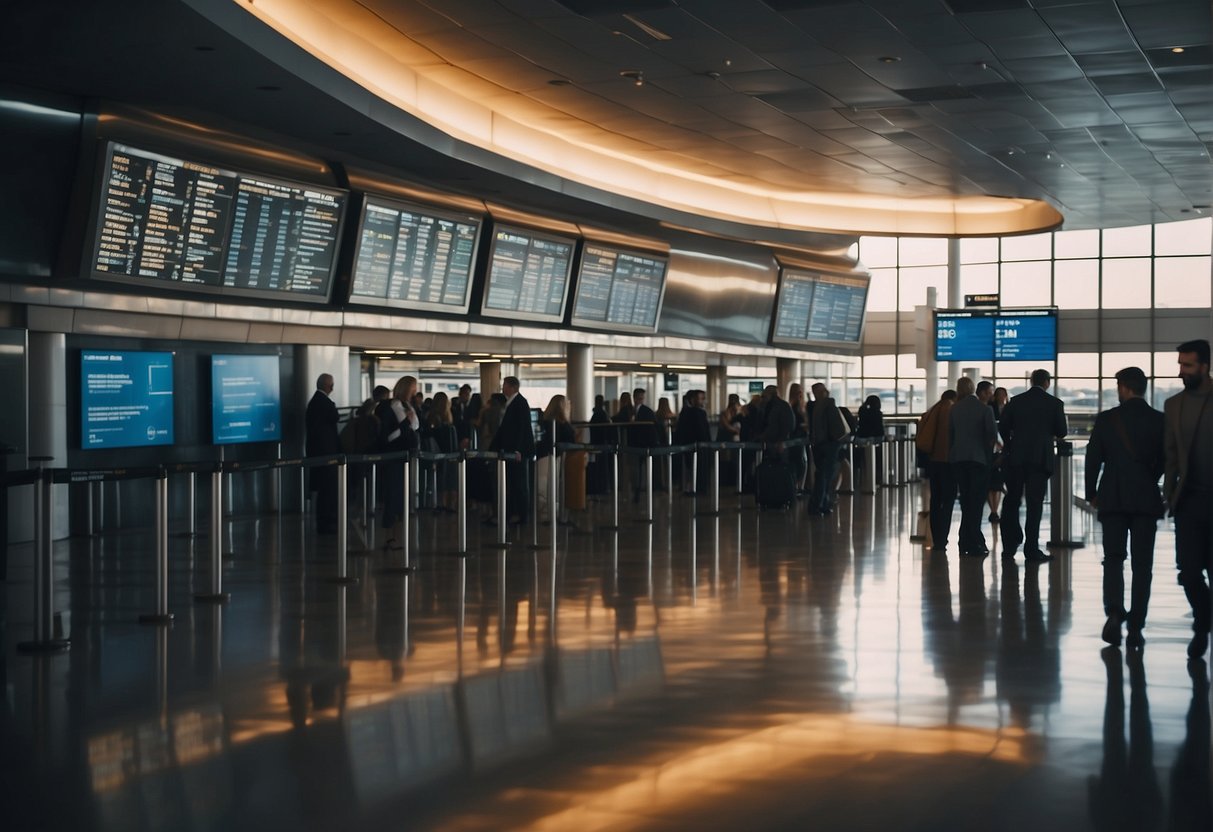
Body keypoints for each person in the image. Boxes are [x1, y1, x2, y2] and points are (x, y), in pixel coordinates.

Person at [1086, 367, 1165, 650]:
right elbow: (1166, 460)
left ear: (1123, 388)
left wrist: (1092, 493)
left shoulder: (1108, 419)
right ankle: (1136, 626)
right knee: (1143, 565)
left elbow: (1093, 458)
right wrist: (1149, 478)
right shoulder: (1159, 420)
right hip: (1145, 499)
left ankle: (1115, 612)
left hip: (1114, 498)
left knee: (1114, 558)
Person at [1163, 339, 1213, 659]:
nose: (1182, 370)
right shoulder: (1173, 405)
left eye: (1188, 365)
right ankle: (1203, 620)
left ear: (1205, 367)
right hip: (1189, 500)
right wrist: (1168, 494)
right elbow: (1170, 456)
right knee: (1189, 571)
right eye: (1181, 364)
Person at [998, 368, 1068, 563]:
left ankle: (1009, 546)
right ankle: (1031, 548)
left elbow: (1002, 426)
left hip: (1017, 459)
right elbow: (1062, 431)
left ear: (1031, 381)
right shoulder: (1054, 403)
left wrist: (1011, 445)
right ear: (1047, 382)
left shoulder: (1016, 402)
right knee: (1034, 505)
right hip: (1040, 460)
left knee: (1012, 501)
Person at [949, 378, 997, 558]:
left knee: (966, 500)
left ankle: (965, 540)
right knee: (976, 502)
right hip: (978, 461)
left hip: (958, 460)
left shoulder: (954, 409)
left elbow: (951, 435)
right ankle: (974, 541)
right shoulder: (985, 410)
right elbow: (992, 435)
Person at [377, 376, 420, 545]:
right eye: (413, 388)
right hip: (393, 457)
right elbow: (387, 437)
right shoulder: (389, 407)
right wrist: (405, 424)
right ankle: (390, 536)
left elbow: (415, 427)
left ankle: (398, 536)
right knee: (392, 496)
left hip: (405, 456)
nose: (415, 392)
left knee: (402, 497)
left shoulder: (408, 406)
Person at [489, 376, 535, 525]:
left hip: (517, 452)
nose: (503, 388)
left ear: (512, 387)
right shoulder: (513, 403)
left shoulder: (519, 403)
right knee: (513, 483)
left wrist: (518, 450)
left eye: (505, 385)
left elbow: (522, 428)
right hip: (511, 451)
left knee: (519, 484)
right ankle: (512, 513)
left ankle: (522, 515)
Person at [919, 389, 957, 550]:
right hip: (947, 462)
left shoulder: (932, 410)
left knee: (935, 500)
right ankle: (942, 538)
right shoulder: (950, 410)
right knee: (948, 500)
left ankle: (936, 537)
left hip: (933, 461)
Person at [305, 373, 340, 534]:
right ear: (327, 386)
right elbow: (335, 417)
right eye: (331, 384)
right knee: (327, 488)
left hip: (319, 451)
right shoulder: (323, 402)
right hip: (325, 452)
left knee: (325, 488)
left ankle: (325, 521)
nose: (332, 387)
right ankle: (326, 522)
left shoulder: (315, 402)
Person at [807, 382, 847, 516]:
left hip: (817, 445)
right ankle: (821, 504)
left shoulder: (812, 406)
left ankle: (818, 504)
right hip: (830, 445)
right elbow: (837, 428)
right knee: (826, 477)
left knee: (820, 475)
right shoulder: (829, 404)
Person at [423, 391, 458, 513]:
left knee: (442, 478)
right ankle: (451, 504)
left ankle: (441, 503)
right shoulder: (447, 418)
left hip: (439, 453)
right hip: (449, 453)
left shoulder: (432, 416)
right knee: (451, 479)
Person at [631, 388, 658, 501]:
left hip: (642, 444)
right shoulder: (634, 411)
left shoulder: (645, 411)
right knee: (638, 469)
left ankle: (639, 489)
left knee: (640, 469)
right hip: (638, 444)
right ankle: (638, 490)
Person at [987, 386, 1009, 523]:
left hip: (1002, 448)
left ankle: (995, 510)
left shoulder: (1008, 409)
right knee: (992, 482)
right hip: (992, 448)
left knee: (998, 482)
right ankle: (993, 510)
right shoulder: (990, 409)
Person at [789, 384, 810, 493]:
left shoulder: (800, 406)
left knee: (802, 462)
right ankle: (798, 486)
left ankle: (799, 486)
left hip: (800, 438)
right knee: (801, 462)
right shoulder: (795, 407)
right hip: (798, 438)